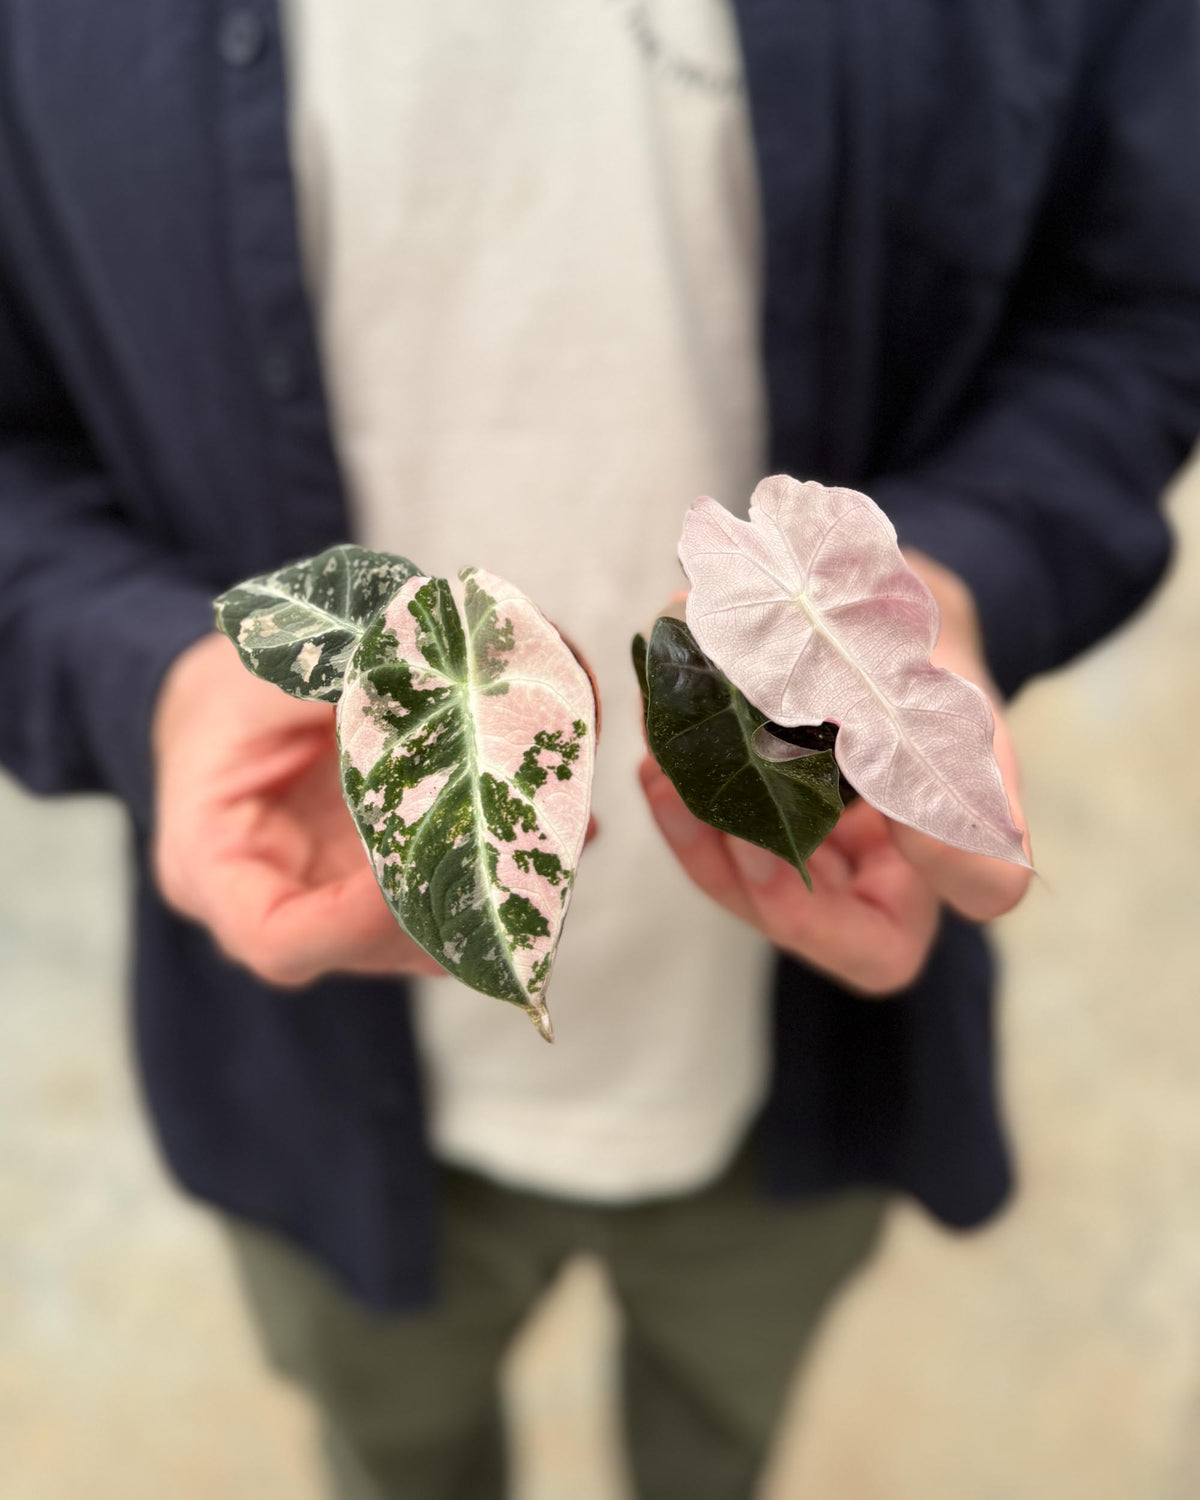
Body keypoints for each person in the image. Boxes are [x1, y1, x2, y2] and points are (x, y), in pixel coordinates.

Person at [1, 3, 1197, 1496]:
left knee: (717, 1437)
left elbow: (1142, 289)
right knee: (397, 1449)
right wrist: (160, 679)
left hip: (800, 1030)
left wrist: (935, 590)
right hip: (310, 1071)